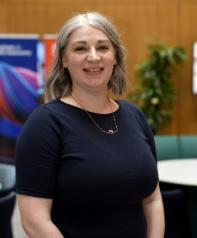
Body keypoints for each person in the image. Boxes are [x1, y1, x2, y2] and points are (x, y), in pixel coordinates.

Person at [15, 12, 165, 238]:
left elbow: (153, 199)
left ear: (115, 56)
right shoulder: (45, 123)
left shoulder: (134, 115)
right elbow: (35, 222)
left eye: (103, 47)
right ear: (64, 59)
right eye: (80, 48)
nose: (93, 57)